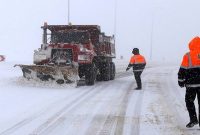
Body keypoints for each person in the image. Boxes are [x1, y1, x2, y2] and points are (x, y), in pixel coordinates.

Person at [178, 36, 200, 128]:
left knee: (189, 101)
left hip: (191, 84)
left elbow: (182, 70)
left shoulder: (188, 55)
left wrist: (181, 81)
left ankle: (193, 119)